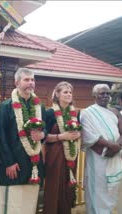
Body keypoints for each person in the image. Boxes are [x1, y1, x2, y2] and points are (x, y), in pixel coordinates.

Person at [0, 68, 47, 214]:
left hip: (33, 163)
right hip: (14, 163)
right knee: (12, 201)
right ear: (16, 82)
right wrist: (9, 162)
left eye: (33, 80)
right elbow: (2, 136)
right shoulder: (6, 106)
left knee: (29, 202)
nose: (31, 83)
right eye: (26, 80)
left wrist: (42, 135)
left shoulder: (39, 106)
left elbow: (46, 129)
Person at [80, 84, 122, 214]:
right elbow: (89, 135)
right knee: (98, 186)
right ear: (94, 95)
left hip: (115, 155)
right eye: (102, 93)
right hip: (98, 156)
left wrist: (118, 146)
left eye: (107, 93)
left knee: (111, 189)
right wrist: (112, 146)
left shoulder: (115, 112)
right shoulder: (87, 113)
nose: (105, 96)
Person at [43, 82, 81, 214]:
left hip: (71, 155)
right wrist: (62, 136)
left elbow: (79, 132)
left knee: (68, 186)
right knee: (54, 186)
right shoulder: (49, 113)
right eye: (65, 92)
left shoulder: (74, 114)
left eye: (70, 92)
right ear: (57, 94)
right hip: (55, 155)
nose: (69, 94)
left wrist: (77, 134)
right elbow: (44, 137)